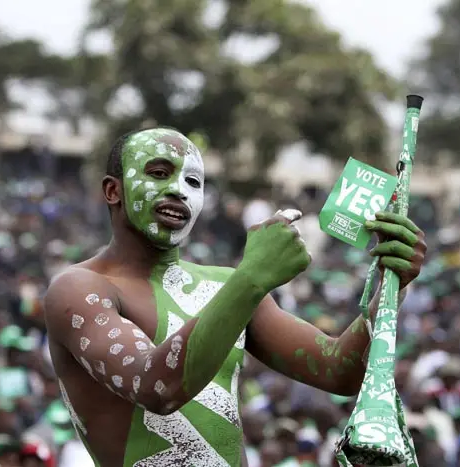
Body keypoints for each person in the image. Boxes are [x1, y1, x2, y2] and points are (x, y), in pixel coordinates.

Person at [43, 127, 427, 466]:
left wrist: (391, 285)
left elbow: (340, 370)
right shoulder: (79, 288)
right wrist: (253, 276)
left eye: (194, 182)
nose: (179, 190)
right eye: (159, 174)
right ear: (113, 190)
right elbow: (157, 388)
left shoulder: (227, 285)